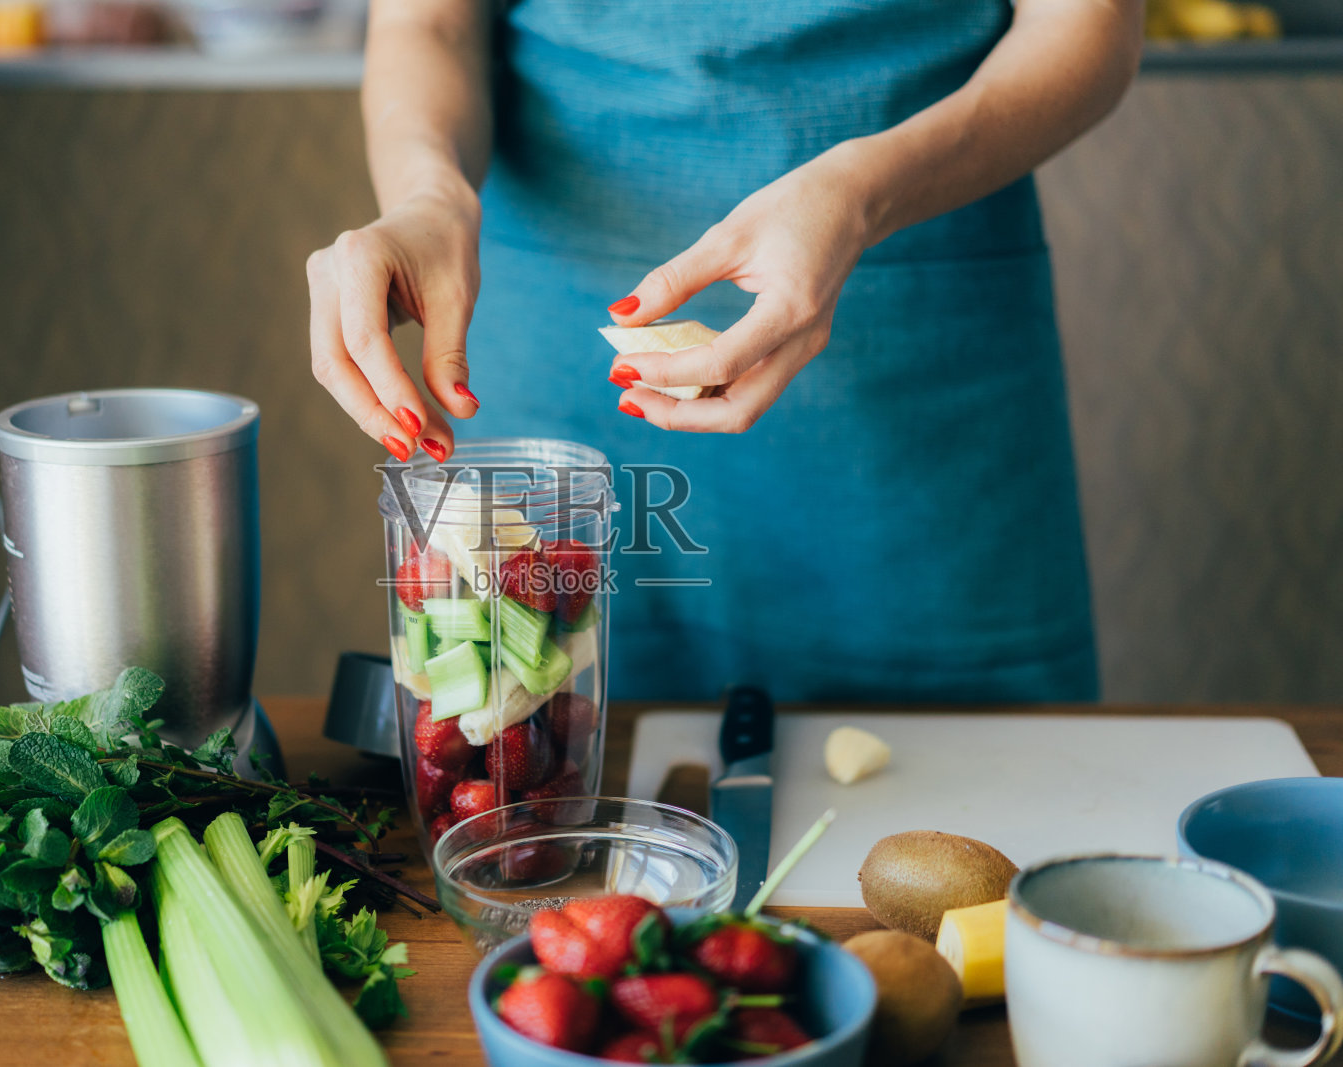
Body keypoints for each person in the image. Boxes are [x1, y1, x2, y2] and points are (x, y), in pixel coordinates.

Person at [307, 0, 1143, 702]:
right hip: (559, 368)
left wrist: (860, 195)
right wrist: (428, 195)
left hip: (916, 374)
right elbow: (431, 25)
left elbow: (1087, 25)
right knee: (557, 750)